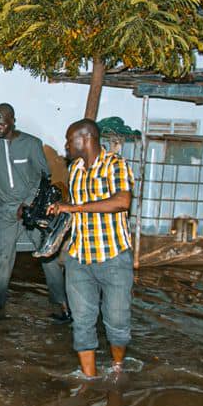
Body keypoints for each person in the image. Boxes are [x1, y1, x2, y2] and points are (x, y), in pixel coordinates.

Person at [0, 104, 69, 322]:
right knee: (3, 259)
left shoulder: (31, 144)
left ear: (13, 121)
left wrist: (28, 203)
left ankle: (61, 305)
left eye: (2, 123)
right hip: (5, 209)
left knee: (47, 254)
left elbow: (44, 176)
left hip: (33, 208)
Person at [52, 118, 135, 378]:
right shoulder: (75, 169)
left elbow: (122, 201)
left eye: (69, 140)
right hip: (79, 257)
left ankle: (117, 367)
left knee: (117, 321)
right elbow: (74, 211)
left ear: (85, 139)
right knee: (82, 322)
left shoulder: (115, 165)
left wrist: (74, 207)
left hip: (113, 257)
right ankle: (89, 378)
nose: (66, 145)